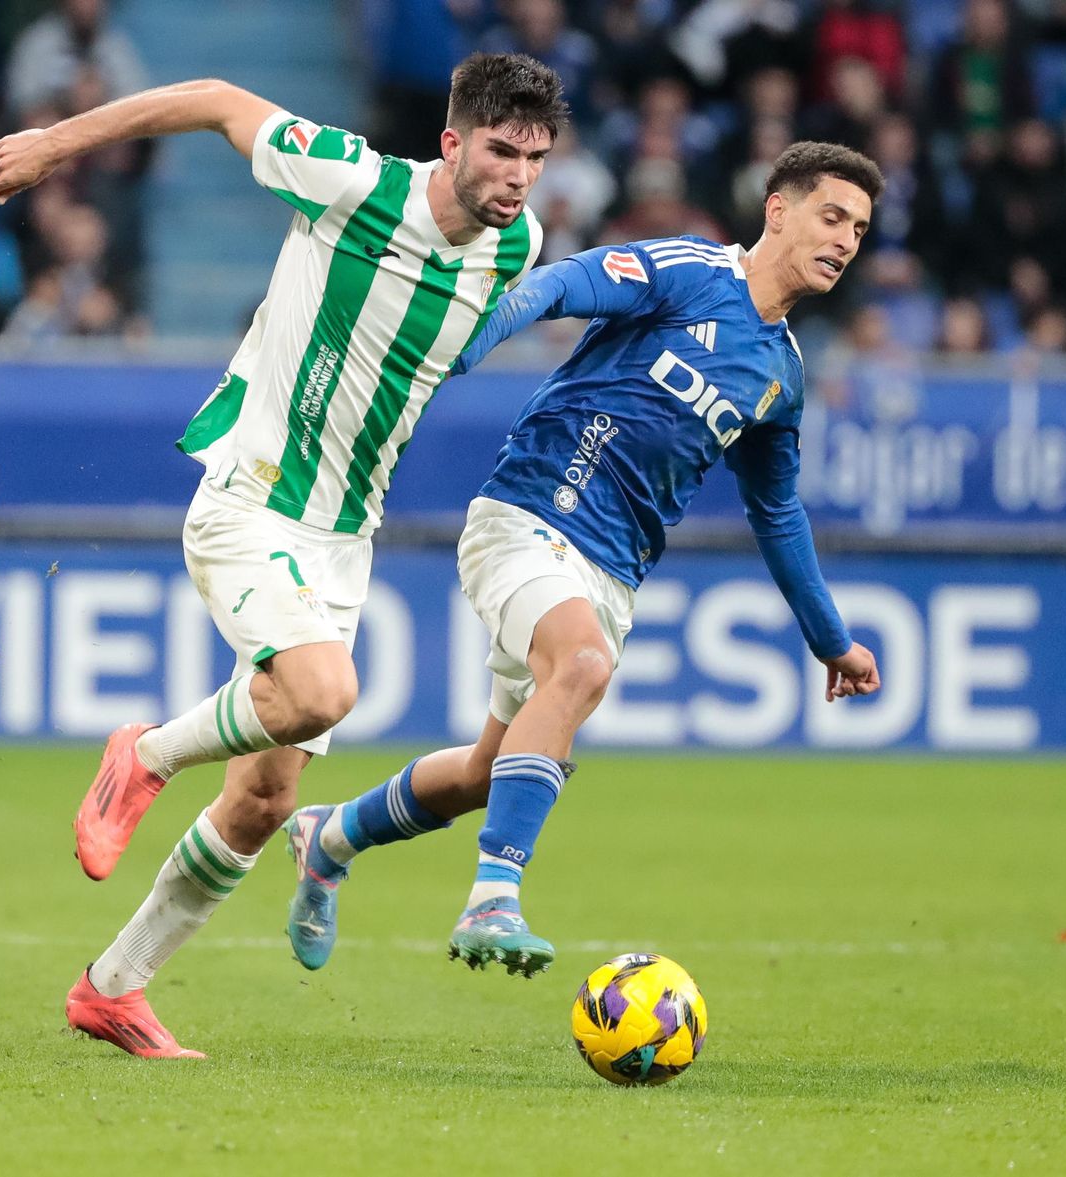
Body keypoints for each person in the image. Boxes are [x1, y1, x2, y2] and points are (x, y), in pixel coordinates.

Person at [0, 53, 566, 1059]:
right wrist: (51, 144)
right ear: (453, 142)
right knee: (322, 687)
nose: (517, 177)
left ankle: (112, 989)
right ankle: (146, 754)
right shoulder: (351, 178)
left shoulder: (517, 251)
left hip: (345, 536)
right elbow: (213, 99)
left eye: (536, 159)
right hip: (251, 499)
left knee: (262, 799)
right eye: (502, 152)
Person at [282, 141, 884, 979]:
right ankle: (495, 893)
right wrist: (466, 343)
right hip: (527, 514)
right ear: (777, 210)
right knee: (583, 664)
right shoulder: (689, 271)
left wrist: (831, 639)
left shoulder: (780, 374)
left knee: (488, 774)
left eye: (859, 227)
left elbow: (776, 509)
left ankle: (329, 836)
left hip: (610, 573)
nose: (847, 239)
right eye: (831, 215)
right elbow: (561, 282)